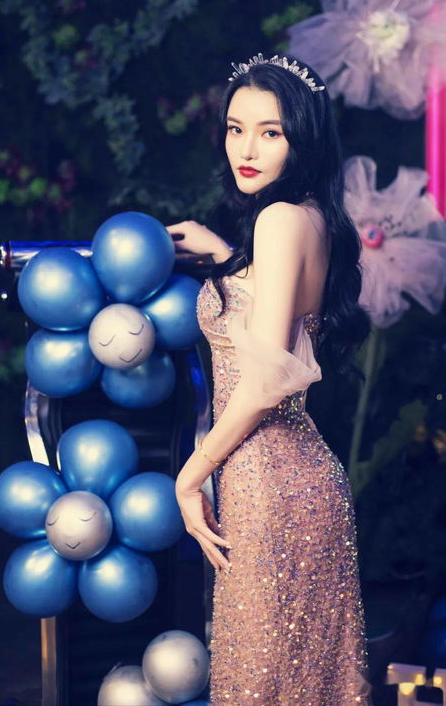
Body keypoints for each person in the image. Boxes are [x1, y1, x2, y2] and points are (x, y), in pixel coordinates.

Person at [167, 52, 373, 705]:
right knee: (296, 682)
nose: (246, 149)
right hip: (299, 477)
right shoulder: (308, 215)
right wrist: (224, 255)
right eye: (235, 128)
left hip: (268, 485)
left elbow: (263, 382)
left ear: (301, 137)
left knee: (262, 682)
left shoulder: (278, 220)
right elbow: (272, 312)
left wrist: (192, 472)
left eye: (270, 131)